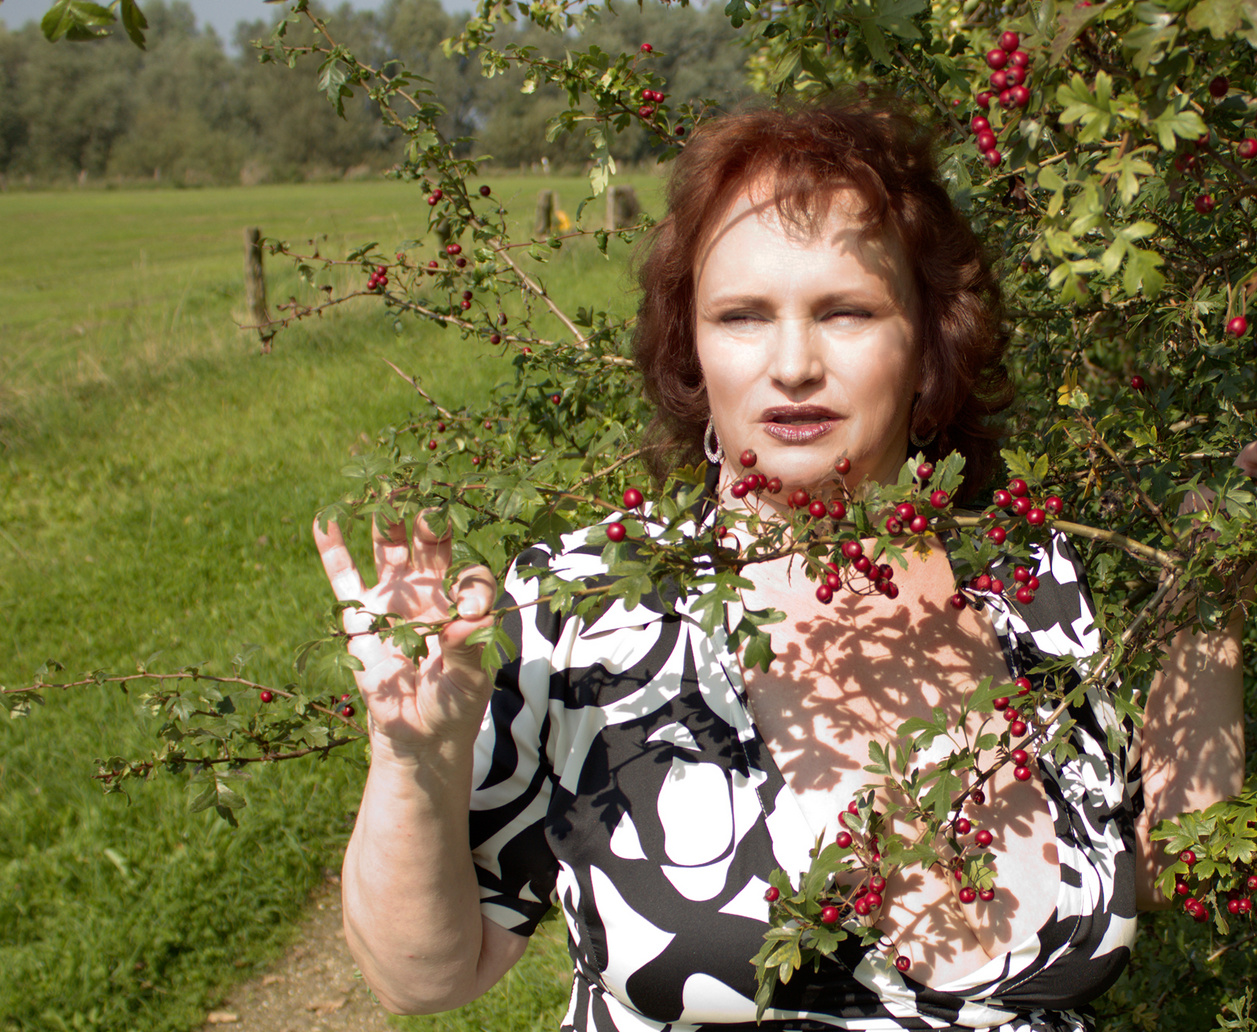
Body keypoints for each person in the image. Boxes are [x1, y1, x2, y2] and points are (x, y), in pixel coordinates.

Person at [313, 99, 1246, 1032]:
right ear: (694, 348)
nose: (793, 364)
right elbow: (425, 978)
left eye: (845, 311)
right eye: (743, 317)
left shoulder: (1021, 575)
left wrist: (1213, 593)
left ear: (925, 343)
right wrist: (416, 762)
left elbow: (1153, 863)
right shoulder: (586, 610)